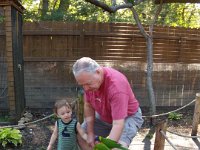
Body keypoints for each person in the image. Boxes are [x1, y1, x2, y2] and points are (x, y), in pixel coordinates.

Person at [72, 57, 144, 150]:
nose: (86, 89)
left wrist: (108, 146)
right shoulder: (89, 81)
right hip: (104, 115)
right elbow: (88, 105)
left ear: (98, 72)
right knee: (81, 136)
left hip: (127, 117)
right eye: (82, 85)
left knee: (117, 148)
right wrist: (90, 133)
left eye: (88, 84)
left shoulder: (116, 87)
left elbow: (118, 124)